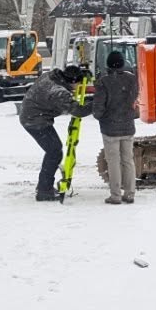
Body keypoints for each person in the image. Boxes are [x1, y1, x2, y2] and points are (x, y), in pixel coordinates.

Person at [19, 64, 91, 201]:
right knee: (54, 151)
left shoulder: (52, 76)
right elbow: (78, 111)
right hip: (34, 120)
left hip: (32, 114)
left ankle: (44, 186)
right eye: (79, 84)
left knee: (54, 149)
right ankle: (44, 190)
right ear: (74, 81)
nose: (79, 88)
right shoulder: (58, 91)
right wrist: (96, 104)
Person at [91, 49, 138, 205]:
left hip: (110, 129)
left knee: (113, 162)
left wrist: (100, 115)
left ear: (108, 65)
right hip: (128, 126)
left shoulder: (103, 82)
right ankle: (130, 193)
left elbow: (98, 109)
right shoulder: (132, 79)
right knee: (128, 160)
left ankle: (115, 195)